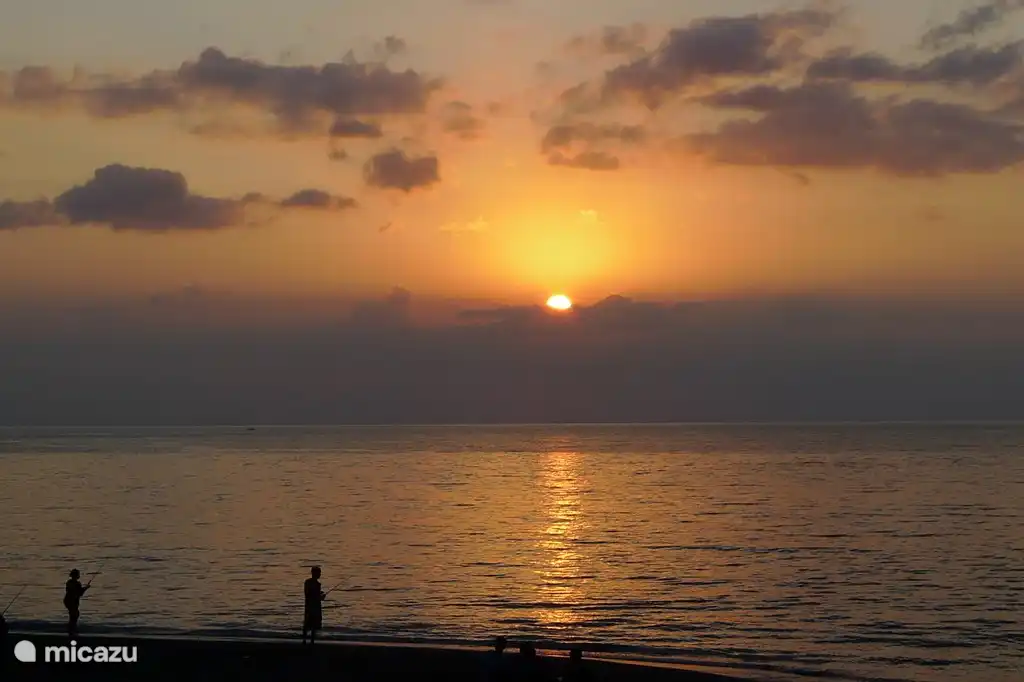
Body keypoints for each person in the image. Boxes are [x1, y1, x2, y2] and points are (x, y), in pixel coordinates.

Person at [302, 566, 326, 645]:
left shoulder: (310, 582)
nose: (320, 574)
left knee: (311, 624)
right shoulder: (311, 583)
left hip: (311, 605)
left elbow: (311, 593)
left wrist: (320, 594)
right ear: (314, 573)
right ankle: (307, 640)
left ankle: (307, 640)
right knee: (310, 624)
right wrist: (319, 596)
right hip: (312, 606)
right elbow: (309, 594)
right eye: (319, 573)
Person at [64, 569, 90, 637]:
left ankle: (71, 629)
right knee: (75, 615)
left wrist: (84, 588)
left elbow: (73, 591)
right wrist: (86, 588)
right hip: (73, 601)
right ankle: (72, 629)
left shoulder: (68, 582)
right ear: (77, 576)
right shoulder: (77, 583)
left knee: (73, 615)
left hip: (67, 600)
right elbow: (80, 593)